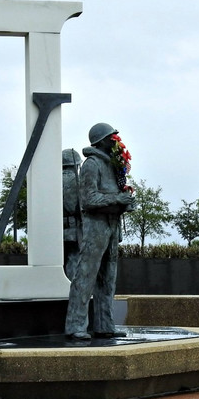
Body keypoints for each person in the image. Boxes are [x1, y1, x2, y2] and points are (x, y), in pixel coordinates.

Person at [64, 123, 134, 340]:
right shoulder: (91, 164)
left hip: (112, 225)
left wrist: (126, 201)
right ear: (100, 141)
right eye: (111, 136)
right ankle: (76, 325)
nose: (115, 140)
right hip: (95, 226)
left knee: (108, 278)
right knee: (85, 276)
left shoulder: (113, 165)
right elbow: (88, 199)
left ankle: (104, 324)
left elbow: (115, 193)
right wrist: (117, 199)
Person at [62, 147, 83, 279]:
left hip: (55, 231)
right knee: (74, 260)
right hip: (74, 230)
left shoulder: (51, 180)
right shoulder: (79, 181)